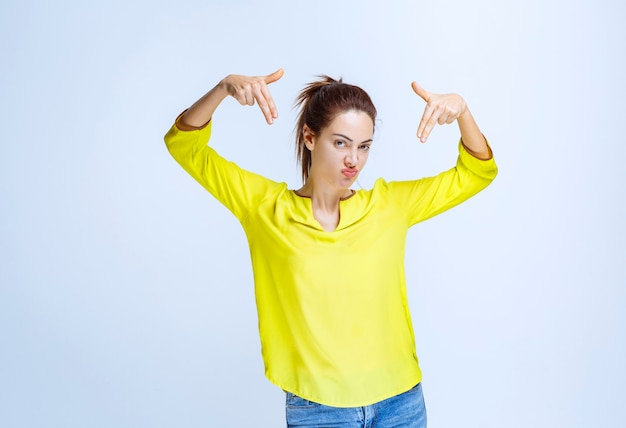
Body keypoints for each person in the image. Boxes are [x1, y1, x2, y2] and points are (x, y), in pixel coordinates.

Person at [164, 68, 497, 427]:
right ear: (310, 137)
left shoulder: (390, 207)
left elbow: (477, 172)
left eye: (364, 146)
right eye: (341, 143)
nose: (354, 159)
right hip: (319, 409)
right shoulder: (264, 208)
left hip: (401, 403)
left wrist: (462, 111)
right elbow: (184, 145)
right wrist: (223, 88)